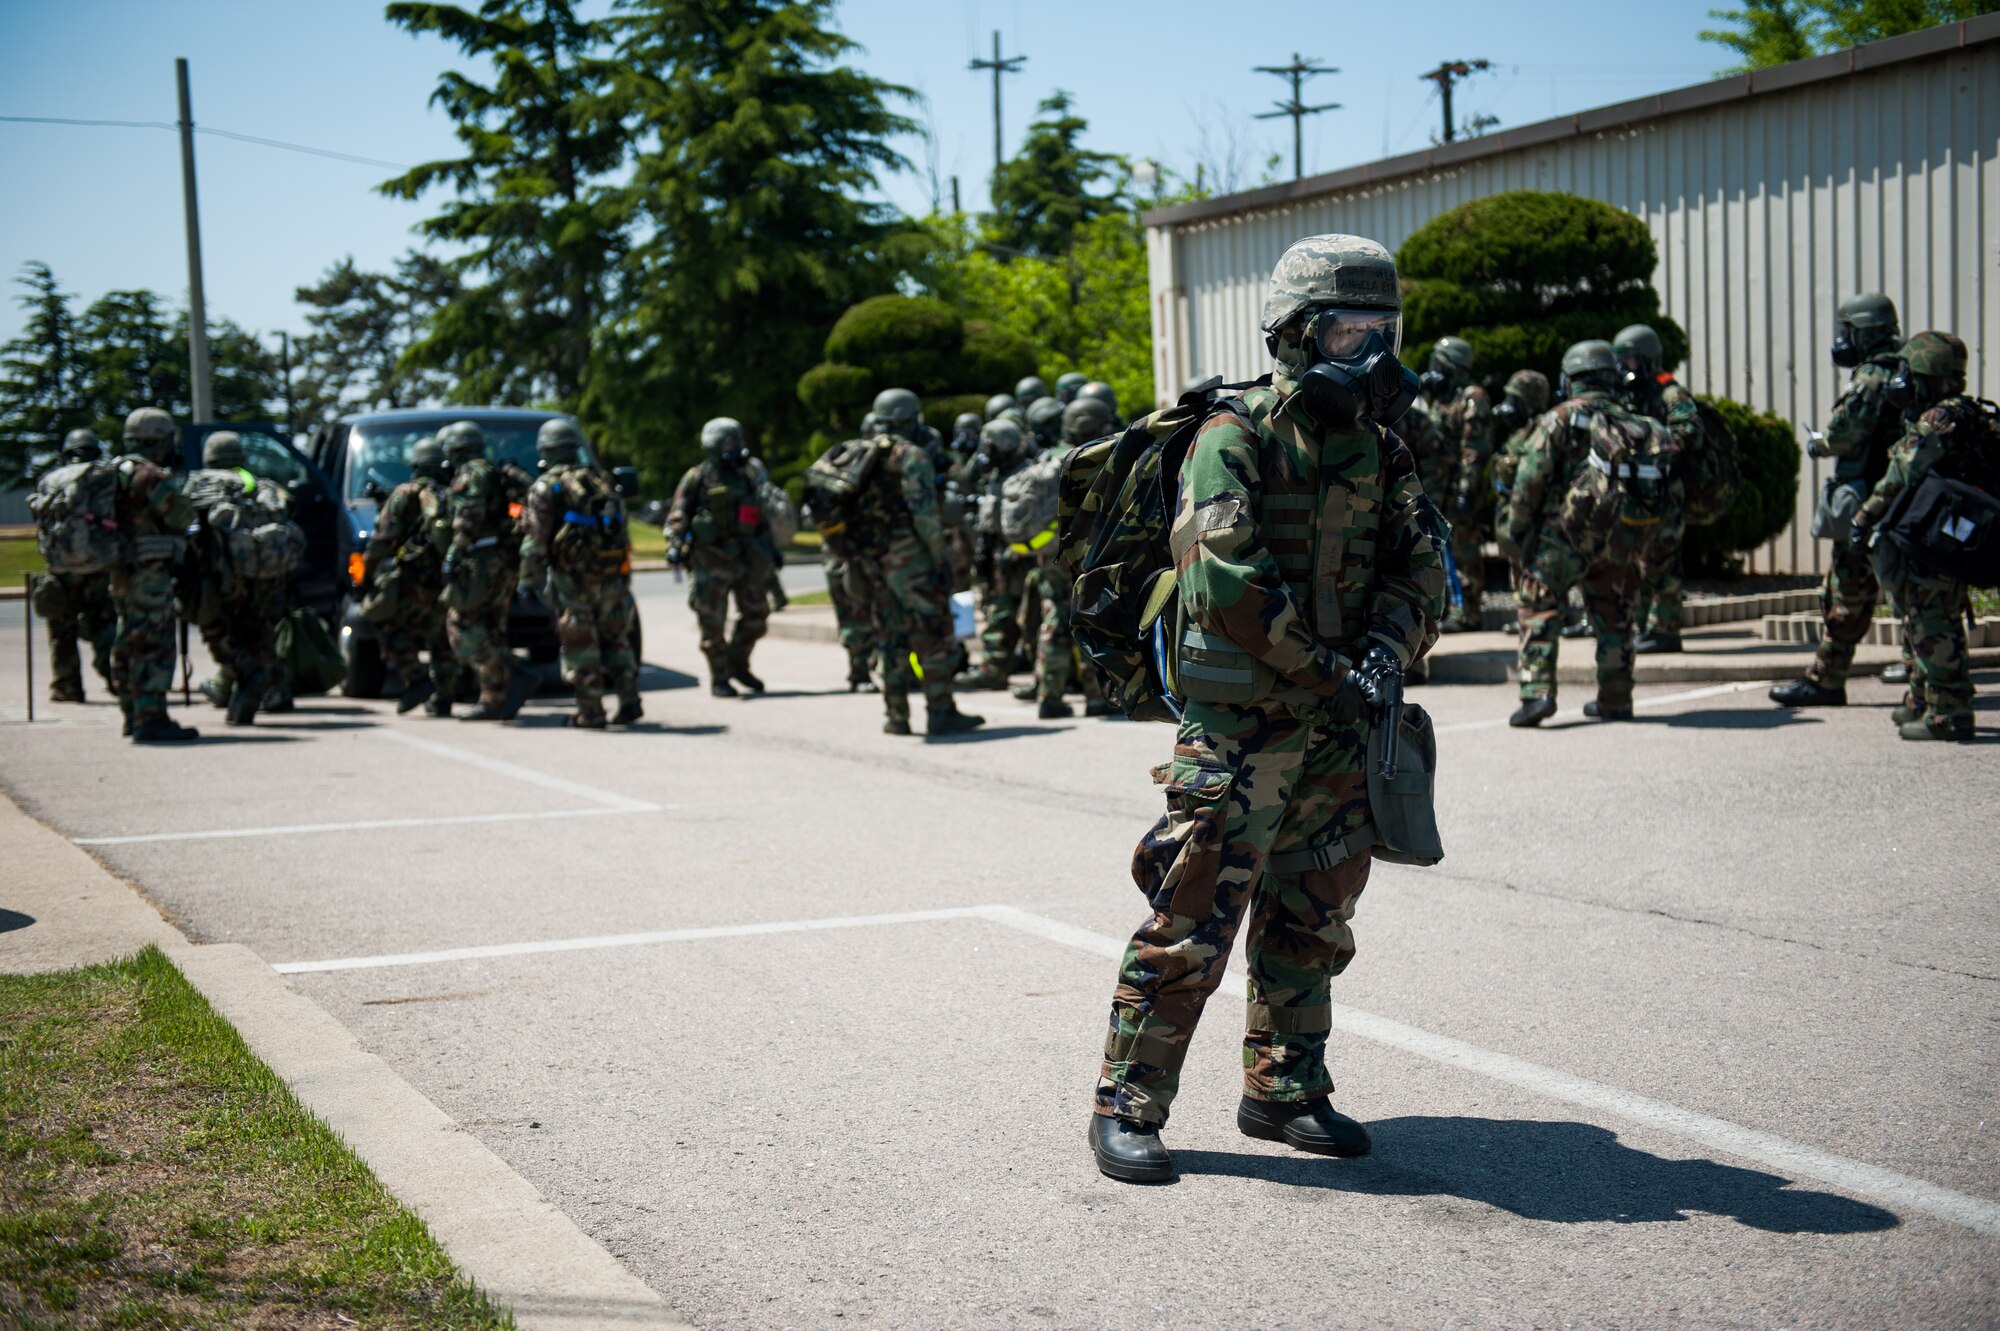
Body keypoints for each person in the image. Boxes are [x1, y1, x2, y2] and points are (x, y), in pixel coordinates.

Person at [1090, 234, 1444, 1183]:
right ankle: (1128, 1103)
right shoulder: (1232, 437)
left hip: (1338, 724)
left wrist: (1386, 647)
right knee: (1192, 915)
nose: (1369, 351)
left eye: (1382, 328)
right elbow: (1227, 584)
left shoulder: (1384, 444)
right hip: (1243, 731)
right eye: (1345, 330)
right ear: (1293, 333)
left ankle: (1284, 1088)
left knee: (1314, 914)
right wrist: (1331, 670)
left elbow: (1424, 564)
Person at [1500, 341, 1680, 727]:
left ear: (1570, 378)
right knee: (1614, 615)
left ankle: (1537, 694)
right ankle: (1616, 698)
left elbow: (1531, 478)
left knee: (1539, 604)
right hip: (1618, 536)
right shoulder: (1630, 421)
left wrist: (1516, 529)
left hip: (1563, 535)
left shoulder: (1560, 419)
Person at [1771, 293, 1908, 708]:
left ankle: (1827, 679)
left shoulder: (1870, 377)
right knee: (1909, 587)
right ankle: (1925, 671)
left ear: (1861, 332)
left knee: (1846, 589)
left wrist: (1820, 444)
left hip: (1869, 499)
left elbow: (1846, 434)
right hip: (1906, 498)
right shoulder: (1906, 369)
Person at [1851, 331, 1986, 742]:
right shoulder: (1963, 413)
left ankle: (1950, 711)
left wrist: (1863, 516)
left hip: (1938, 539)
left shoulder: (1937, 420)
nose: (1902, 380)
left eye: (1910, 372)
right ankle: (1926, 699)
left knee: (1933, 619)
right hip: (1945, 533)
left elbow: (1900, 474)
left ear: (1929, 374)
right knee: (1926, 614)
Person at [845, 388, 983, 737]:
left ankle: (896, 716)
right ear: (911, 417)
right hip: (911, 559)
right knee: (933, 631)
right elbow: (923, 512)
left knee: (890, 636)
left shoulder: (861, 453)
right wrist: (939, 554)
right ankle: (941, 712)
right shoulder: (911, 455)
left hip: (872, 559)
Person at [519, 419, 640, 728]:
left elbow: (535, 540)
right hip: (611, 574)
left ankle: (591, 712)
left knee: (580, 642)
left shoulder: (546, 486)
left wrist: (528, 581)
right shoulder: (602, 480)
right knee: (616, 638)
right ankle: (629, 701)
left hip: (572, 578)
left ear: (546, 451)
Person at [182, 431, 301, 727]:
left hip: (223, 577)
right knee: (259, 631)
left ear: (210, 457)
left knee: (218, 632)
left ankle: (251, 678)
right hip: (266, 574)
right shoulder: (262, 485)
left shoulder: (203, 484)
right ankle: (270, 689)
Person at [1014, 395, 1114, 718]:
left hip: (1049, 555)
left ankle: (1050, 696)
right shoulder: (1098, 456)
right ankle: (1097, 697)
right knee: (1091, 619)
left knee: (1054, 622)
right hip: (1088, 554)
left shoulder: (1045, 459)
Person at [666, 417, 774, 698]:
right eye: (731, 442)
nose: (738, 448)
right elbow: (678, 514)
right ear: (715, 445)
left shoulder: (748, 475)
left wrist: (771, 548)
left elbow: (763, 513)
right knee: (712, 623)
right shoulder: (698, 477)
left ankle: (738, 664)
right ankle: (719, 677)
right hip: (708, 560)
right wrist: (675, 544)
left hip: (744, 558)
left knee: (757, 615)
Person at [108, 408, 198, 742]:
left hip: (120, 573)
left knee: (126, 639)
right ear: (157, 441)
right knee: (154, 642)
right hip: (149, 574)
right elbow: (181, 514)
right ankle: (151, 717)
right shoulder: (149, 476)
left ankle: (132, 713)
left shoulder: (114, 471)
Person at [1616, 324, 1706, 655]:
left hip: (1666, 491)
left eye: (1629, 361)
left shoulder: (1670, 393)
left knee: (1663, 561)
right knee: (1634, 561)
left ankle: (1667, 629)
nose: (1623, 368)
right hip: (1635, 491)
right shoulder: (1627, 396)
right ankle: (1642, 627)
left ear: (1647, 360)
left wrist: (1651, 441)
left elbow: (1690, 431)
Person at [440, 420, 537, 722]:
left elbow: (470, 512)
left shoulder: (472, 473)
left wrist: (455, 550)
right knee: (493, 628)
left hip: (480, 560)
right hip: (502, 561)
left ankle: (513, 673)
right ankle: (494, 698)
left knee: (461, 626)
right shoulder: (494, 471)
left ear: (459, 450)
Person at [359, 436, 459, 716]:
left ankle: (416, 679)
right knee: (440, 636)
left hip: (411, 579)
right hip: (445, 578)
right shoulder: (450, 493)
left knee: (390, 627)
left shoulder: (404, 494)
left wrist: (366, 576)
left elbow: (380, 541)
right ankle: (444, 696)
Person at [27, 428, 116, 702]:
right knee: (105, 624)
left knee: (61, 630)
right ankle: (116, 677)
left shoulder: (49, 480)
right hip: (100, 566)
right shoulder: (106, 475)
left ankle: (68, 685)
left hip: (61, 569)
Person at [1418, 336, 1493, 632]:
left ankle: (1469, 612)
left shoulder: (1472, 397)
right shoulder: (1443, 399)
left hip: (1462, 489)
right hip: (1441, 490)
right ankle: (1450, 608)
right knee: (1442, 553)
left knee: (1465, 551)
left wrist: (1466, 490)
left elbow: (1474, 448)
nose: (1434, 370)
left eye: (1440, 364)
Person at [955, 417, 1035, 690]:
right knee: (999, 613)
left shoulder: (1027, 474)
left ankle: (1041, 676)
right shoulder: (997, 476)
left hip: (1020, 557)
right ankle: (995, 668)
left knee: (1025, 616)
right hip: (999, 555)